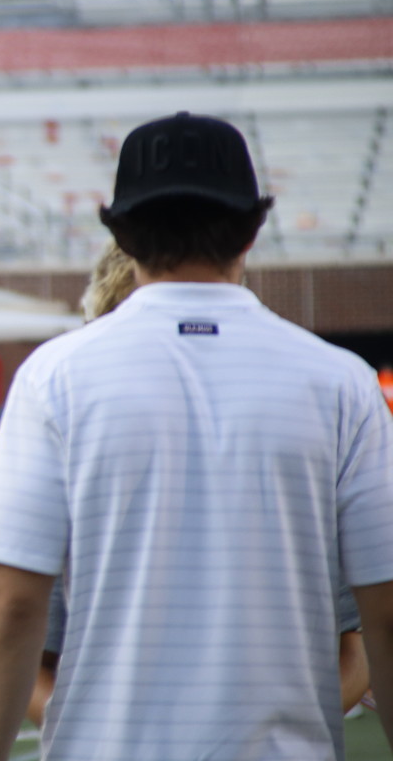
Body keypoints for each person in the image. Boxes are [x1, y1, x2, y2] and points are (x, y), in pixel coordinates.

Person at [0, 111, 393, 760]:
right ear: (253, 228)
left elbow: (9, 605)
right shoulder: (342, 382)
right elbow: (384, 610)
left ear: (123, 234)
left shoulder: (55, 376)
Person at [25, 238, 374, 726]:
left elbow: (358, 650)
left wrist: (267, 733)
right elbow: (23, 647)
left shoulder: (302, 443)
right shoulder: (77, 457)